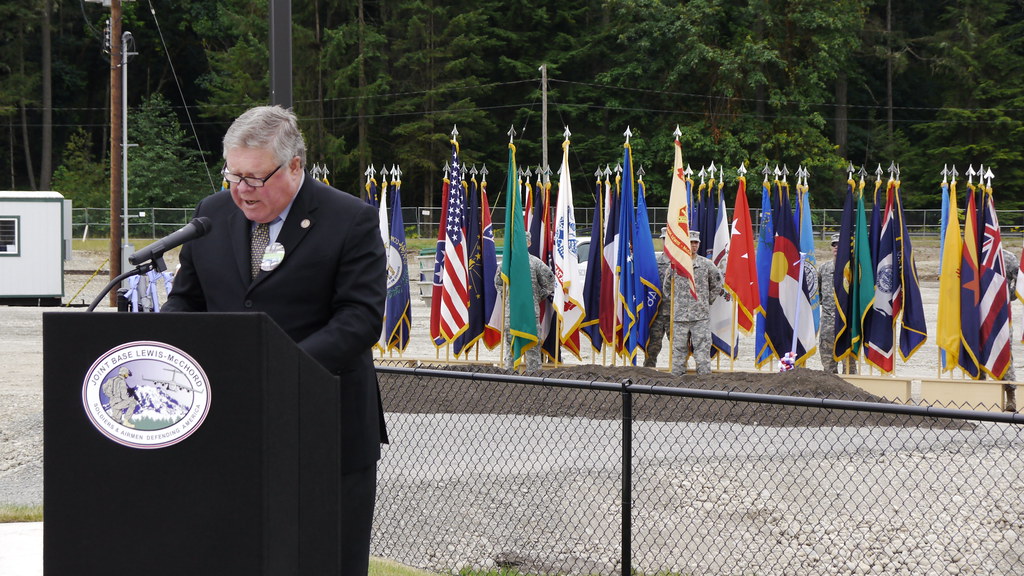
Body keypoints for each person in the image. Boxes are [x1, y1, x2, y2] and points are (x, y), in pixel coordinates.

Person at [162, 105, 387, 574]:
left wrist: (279, 371)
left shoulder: (351, 219)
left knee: (327, 560)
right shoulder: (211, 213)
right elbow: (187, 301)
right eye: (233, 176)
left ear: (295, 166)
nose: (241, 191)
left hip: (326, 427)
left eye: (254, 178)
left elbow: (359, 320)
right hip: (229, 427)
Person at [662, 230, 723, 375]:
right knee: (678, 352)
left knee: (702, 352)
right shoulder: (675, 265)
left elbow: (717, 285)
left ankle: (703, 385)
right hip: (680, 317)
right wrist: (677, 303)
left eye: (696, 242)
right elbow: (667, 287)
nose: (694, 245)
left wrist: (705, 301)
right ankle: (676, 385)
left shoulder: (707, 265)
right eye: (691, 242)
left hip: (700, 317)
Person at [494, 240, 555, 372]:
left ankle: (534, 376)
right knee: (510, 344)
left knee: (533, 344)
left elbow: (550, 282)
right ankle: (509, 375)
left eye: (524, 240)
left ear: (528, 243)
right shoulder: (506, 263)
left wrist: (537, 297)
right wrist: (509, 297)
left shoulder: (535, 262)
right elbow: (498, 283)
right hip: (512, 312)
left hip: (530, 312)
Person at [818, 233, 857, 374]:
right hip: (828, 324)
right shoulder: (824, 269)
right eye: (834, 245)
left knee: (849, 365)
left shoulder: (853, 270)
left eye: (839, 245)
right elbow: (819, 294)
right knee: (828, 364)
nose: (836, 247)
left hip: (847, 324)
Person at [644, 227, 671, 368]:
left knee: (679, 348)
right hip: (657, 313)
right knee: (652, 347)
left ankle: (679, 377)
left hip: (675, 314)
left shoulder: (682, 263)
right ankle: (648, 375)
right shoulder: (655, 262)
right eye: (665, 239)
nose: (667, 242)